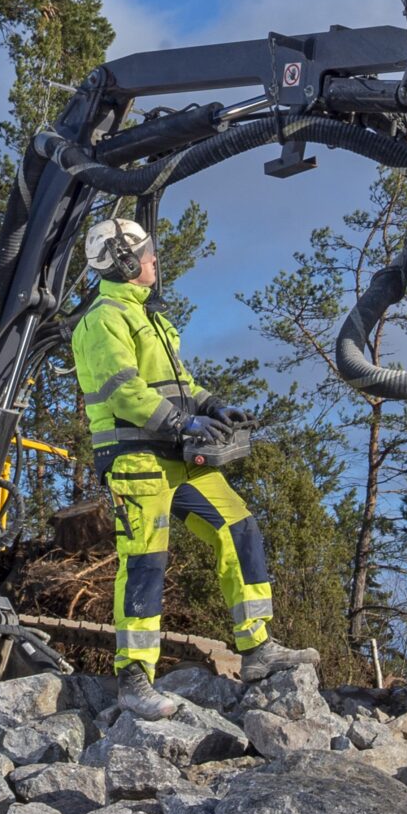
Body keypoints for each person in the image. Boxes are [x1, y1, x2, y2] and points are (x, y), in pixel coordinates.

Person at [70, 215, 311, 717]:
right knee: (145, 562)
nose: (156, 259)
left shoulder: (150, 317)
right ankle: (134, 680)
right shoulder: (103, 319)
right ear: (124, 261)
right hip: (137, 461)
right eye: (148, 252)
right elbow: (126, 394)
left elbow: (178, 384)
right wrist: (183, 425)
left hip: (175, 455)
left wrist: (211, 407)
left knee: (240, 528)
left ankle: (258, 650)